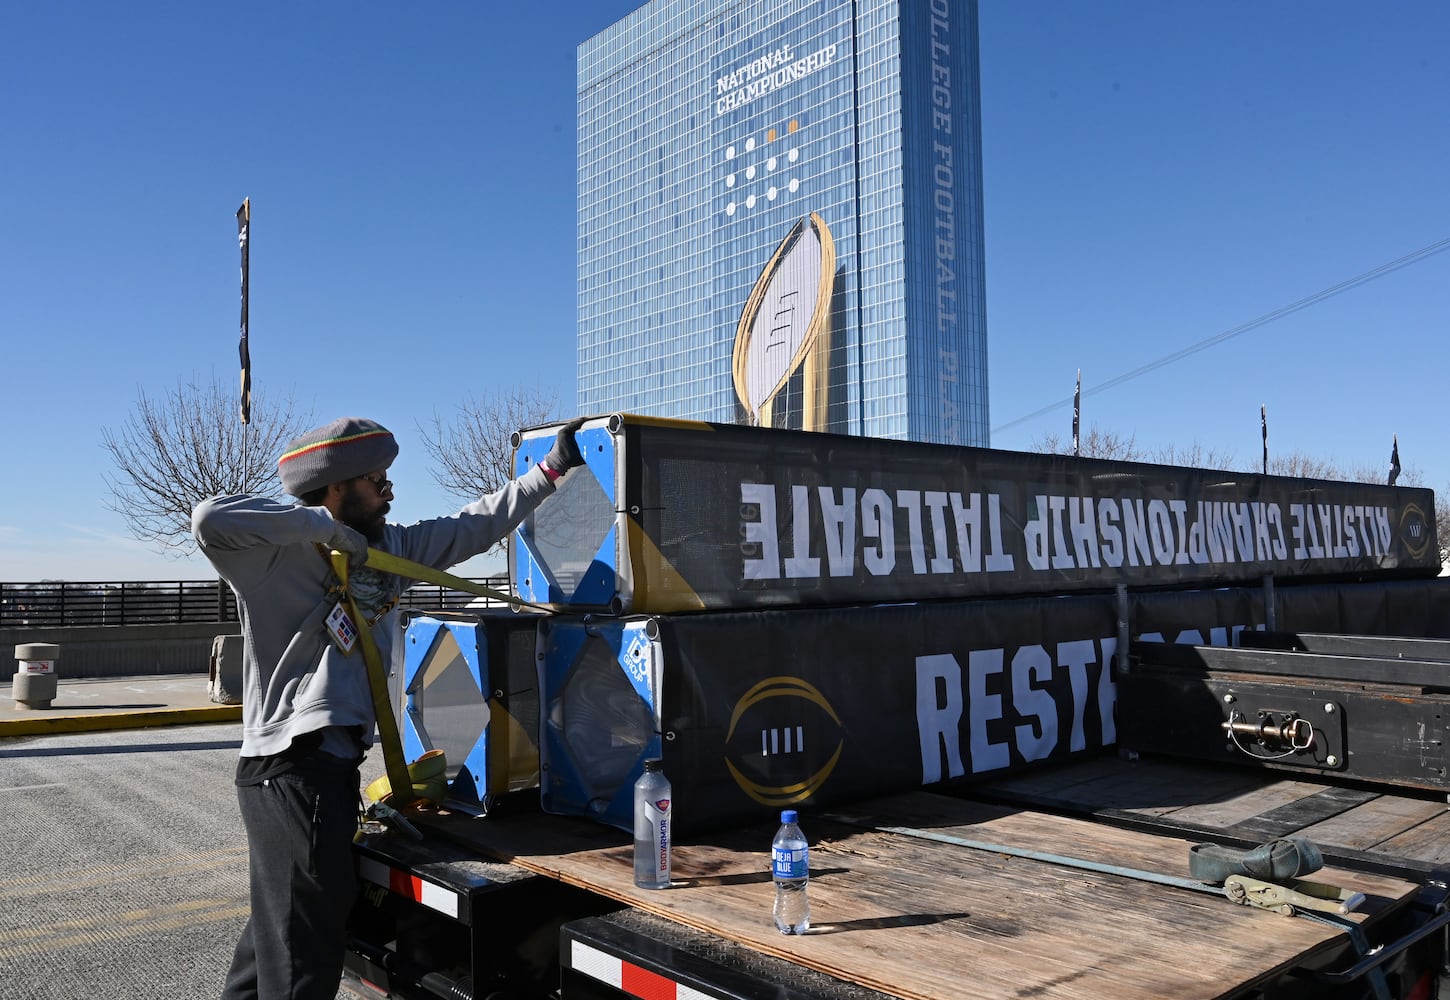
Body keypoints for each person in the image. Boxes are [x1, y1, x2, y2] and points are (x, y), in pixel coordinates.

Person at [192, 414, 585, 1000]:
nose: (389, 492)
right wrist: (322, 530)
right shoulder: (277, 558)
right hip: (290, 768)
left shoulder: (390, 547)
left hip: (328, 770)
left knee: (277, 938)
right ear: (334, 488)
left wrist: (550, 470)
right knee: (304, 953)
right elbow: (209, 518)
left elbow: (471, 527)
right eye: (376, 480)